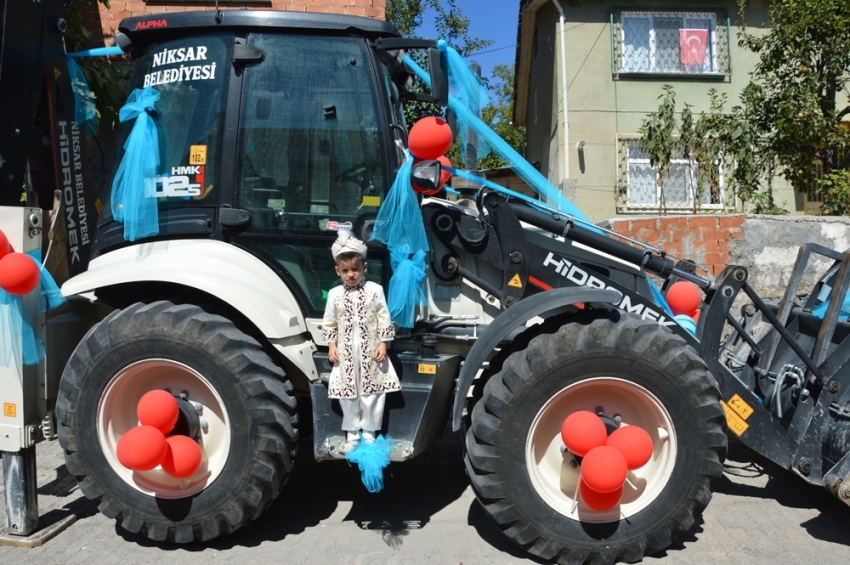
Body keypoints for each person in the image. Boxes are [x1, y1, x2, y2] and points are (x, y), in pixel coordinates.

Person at [322, 233, 400, 455]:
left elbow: (384, 317)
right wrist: (331, 345)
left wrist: (383, 344)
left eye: (355, 269)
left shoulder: (375, 290)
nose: (351, 275)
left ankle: (369, 432)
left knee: (371, 391)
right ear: (338, 271)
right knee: (348, 392)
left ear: (364, 267)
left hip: (370, 350)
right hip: (346, 351)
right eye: (345, 271)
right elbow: (330, 321)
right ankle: (352, 433)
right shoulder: (335, 294)